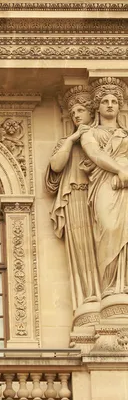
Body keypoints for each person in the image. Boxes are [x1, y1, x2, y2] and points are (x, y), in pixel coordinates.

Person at [46, 86, 100, 312]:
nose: (76, 115)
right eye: (73, 111)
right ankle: (90, 295)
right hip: (76, 195)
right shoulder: (66, 142)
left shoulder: (102, 138)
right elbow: (57, 165)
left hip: (101, 194)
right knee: (82, 247)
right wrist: (73, 139)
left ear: (91, 113)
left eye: (81, 110)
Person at [80, 78, 128, 299]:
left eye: (114, 101)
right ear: (97, 106)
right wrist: (120, 170)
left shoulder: (126, 134)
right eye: (105, 101)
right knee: (108, 229)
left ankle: (124, 283)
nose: (110, 104)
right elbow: (95, 155)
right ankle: (109, 285)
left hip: (124, 185)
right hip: (103, 185)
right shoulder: (90, 133)